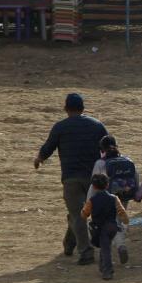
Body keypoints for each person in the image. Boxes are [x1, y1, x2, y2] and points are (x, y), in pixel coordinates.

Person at [35, 92, 108, 265]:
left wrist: (39, 159)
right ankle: (70, 243)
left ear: (66, 109)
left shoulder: (60, 127)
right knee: (79, 214)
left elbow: (48, 148)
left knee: (77, 214)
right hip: (95, 178)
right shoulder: (97, 125)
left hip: (71, 178)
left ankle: (86, 252)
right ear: (83, 108)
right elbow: (108, 146)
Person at [88, 135, 137, 265]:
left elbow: (94, 183)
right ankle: (121, 245)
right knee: (118, 222)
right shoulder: (127, 160)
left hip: (105, 198)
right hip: (123, 196)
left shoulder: (100, 163)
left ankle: (112, 251)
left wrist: (89, 201)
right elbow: (135, 178)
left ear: (102, 149)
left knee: (106, 225)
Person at [80, 174, 130, 280]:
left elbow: (85, 214)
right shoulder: (114, 198)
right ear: (107, 185)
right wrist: (126, 221)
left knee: (105, 249)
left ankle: (108, 271)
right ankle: (102, 267)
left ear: (93, 187)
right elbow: (121, 212)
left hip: (101, 228)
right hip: (112, 226)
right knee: (105, 246)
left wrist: (83, 213)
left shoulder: (92, 200)